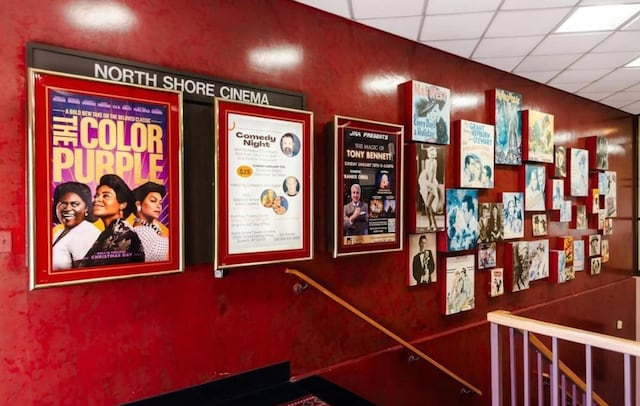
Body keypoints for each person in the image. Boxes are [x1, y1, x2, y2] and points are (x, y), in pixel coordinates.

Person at [79, 174, 145, 267]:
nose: (97, 200)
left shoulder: (123, 235)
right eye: (96, 196)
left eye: (106, 196)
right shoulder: (109, 233)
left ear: (122, 204)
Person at [51, 182, 101, 270]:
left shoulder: (86, 232)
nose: (67, 209)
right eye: (63, 204)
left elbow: (84, 274)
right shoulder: (59, 233)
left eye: (74, 204)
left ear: (86, 208)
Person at [132, 181, 168, 262]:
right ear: (138, 204)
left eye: (160, 202)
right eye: (153, 201)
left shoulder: (154, 226)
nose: (159, 206)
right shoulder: (140, 233)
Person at [418, 146, 439, 232]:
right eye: (430, 153)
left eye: (432, 153)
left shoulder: (434, 162)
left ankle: (435, 225)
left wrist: (429, 185)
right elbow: (426, 172)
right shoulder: (427, 161)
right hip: (426, 184)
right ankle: (430, 224)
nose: (431, 155)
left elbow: (432, 174)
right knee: (427, 207)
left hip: (432, 185)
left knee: (427, 204)